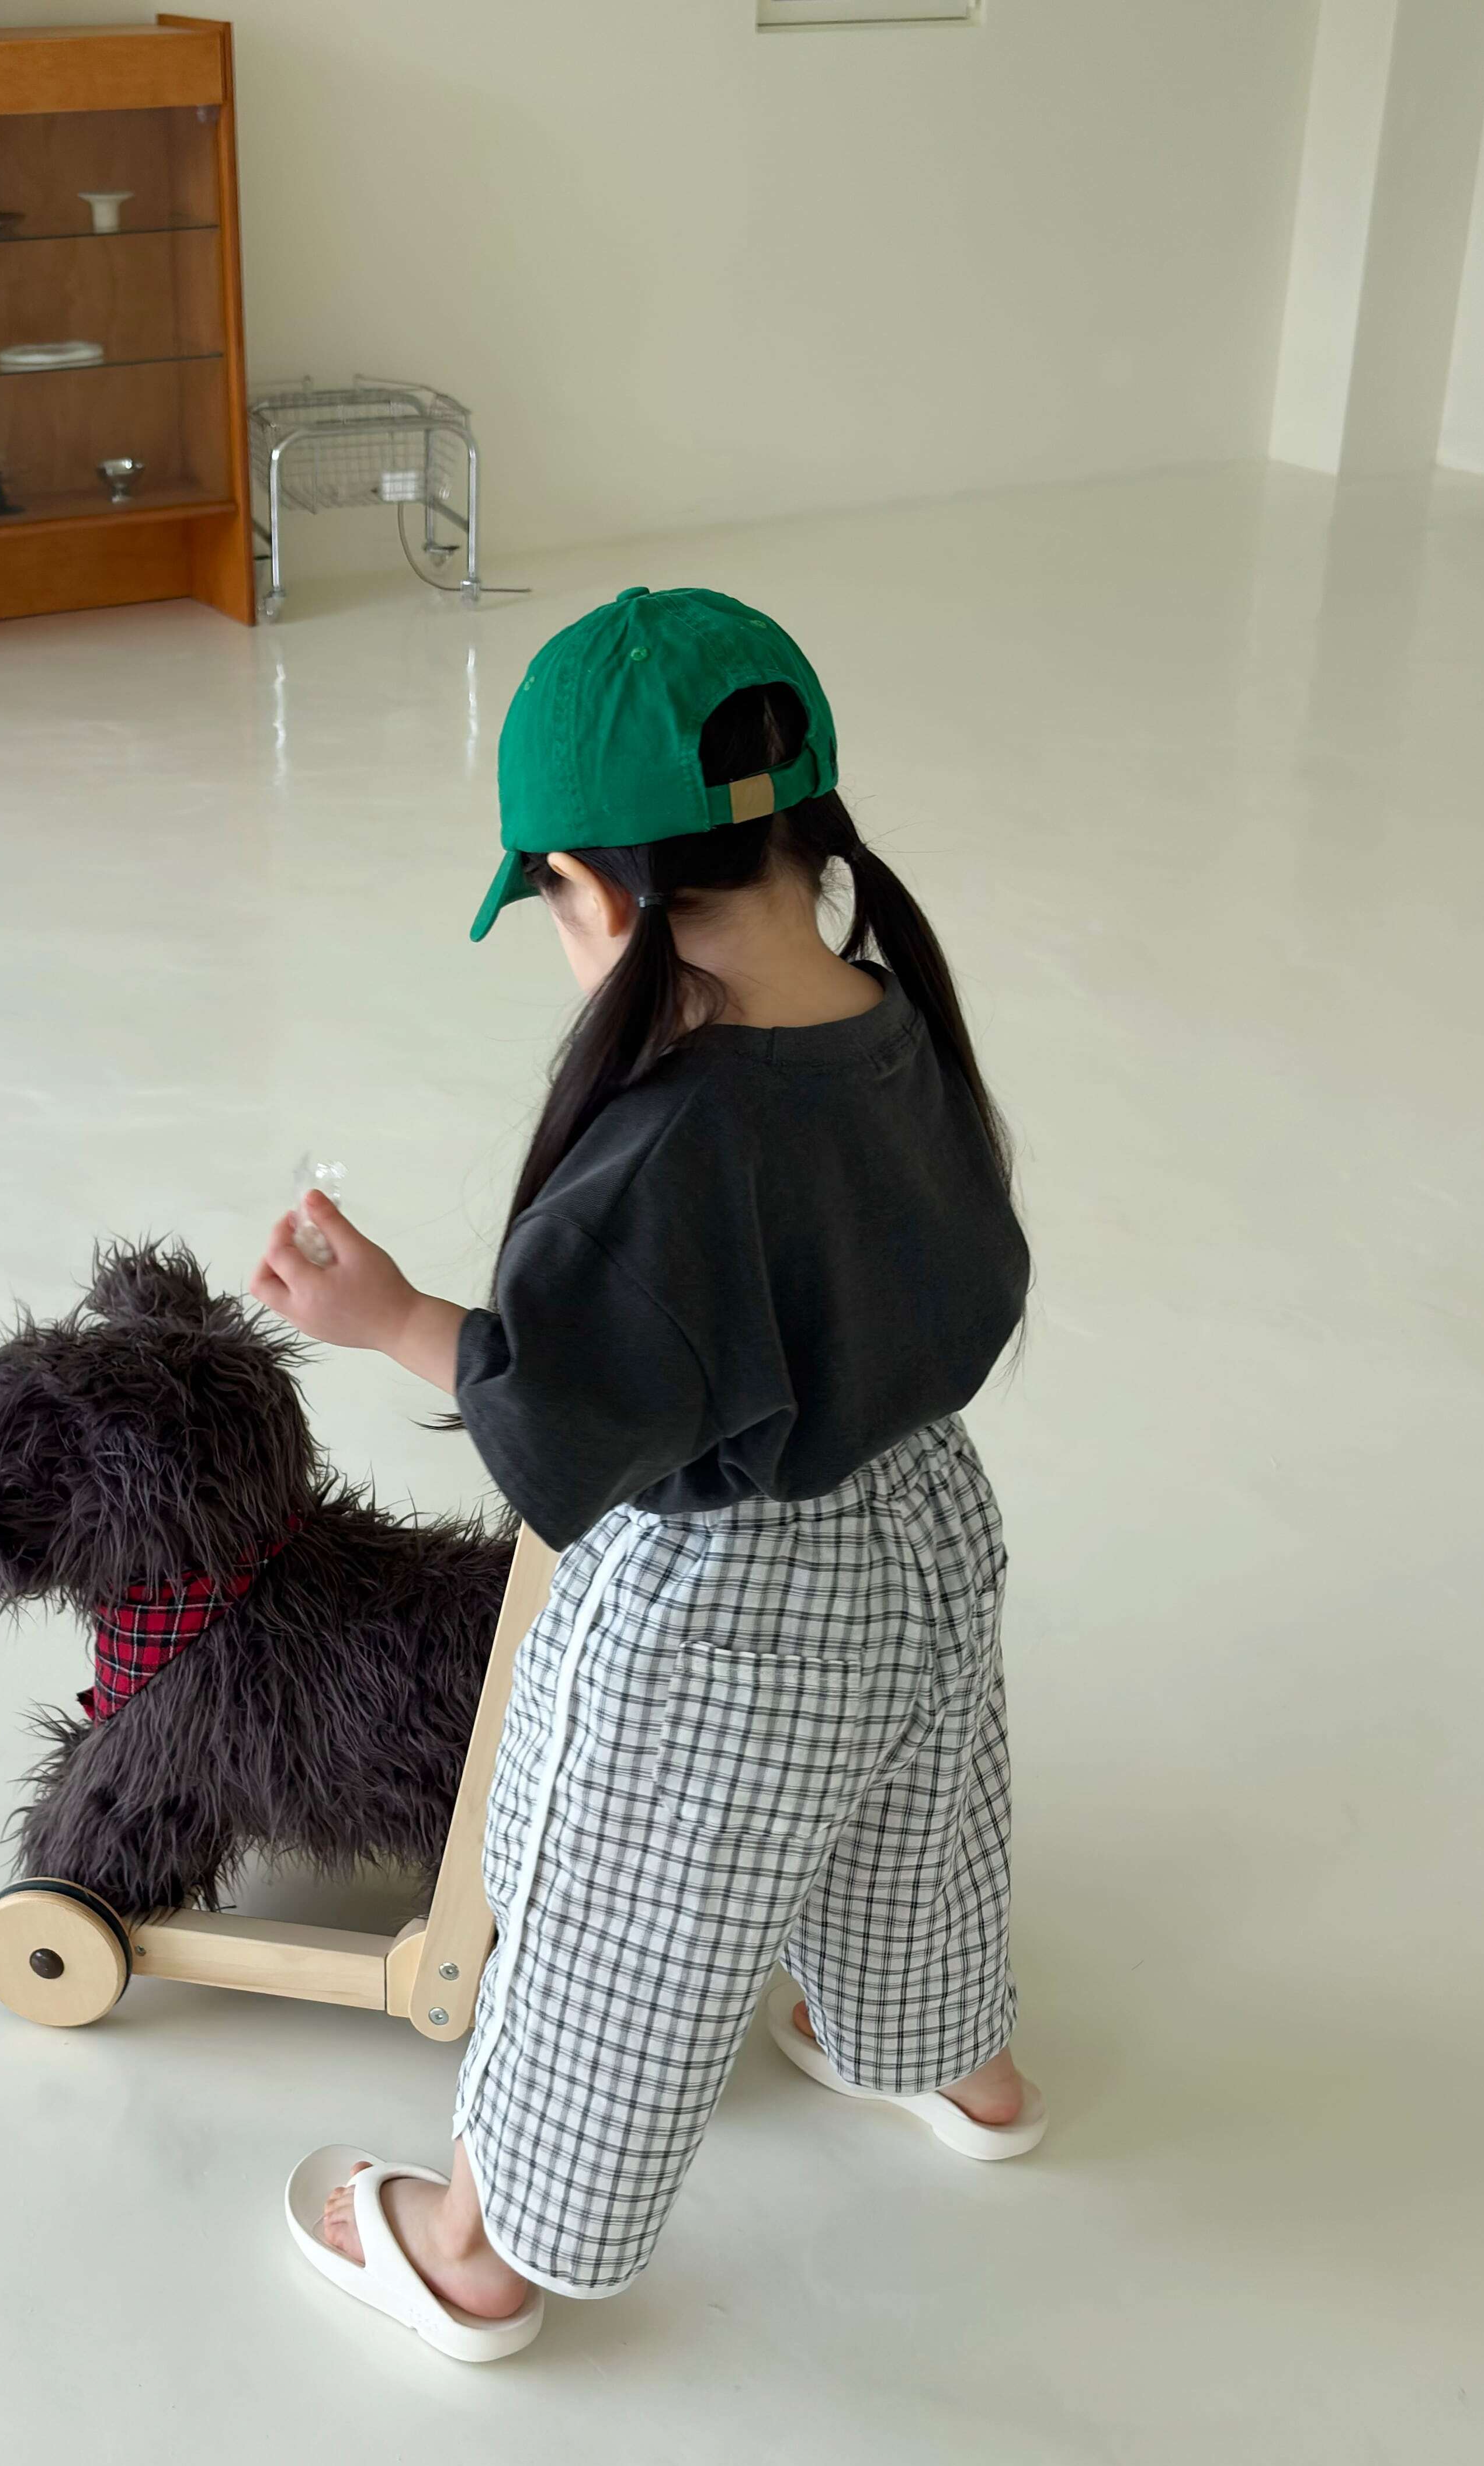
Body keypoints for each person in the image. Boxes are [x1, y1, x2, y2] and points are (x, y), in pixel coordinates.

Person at [252, 586, 1037, 2360]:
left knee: (615, 1901)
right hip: (926, 1522)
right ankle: (957, 2062)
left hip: (733, 1602)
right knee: (920, 1812)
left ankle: (478, 2248)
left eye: (548, 900)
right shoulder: (898, 1017)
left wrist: (392, 1319)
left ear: (598, 895)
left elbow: (560, 1430)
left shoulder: (664, 1151)